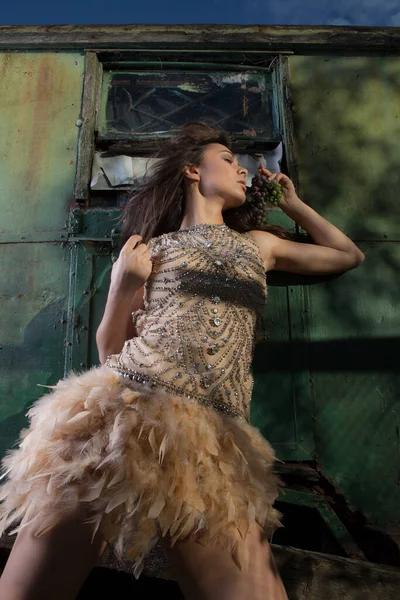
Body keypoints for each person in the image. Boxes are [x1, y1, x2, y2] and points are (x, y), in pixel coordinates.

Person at [0, 121, 364, 600]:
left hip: (213, 436)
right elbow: (111, 353)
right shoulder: (150, 251)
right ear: (193, 170)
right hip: (122, 420)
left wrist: (290, 204)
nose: (242, 170)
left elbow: (347, 255)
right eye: (229, 160)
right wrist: (123, 286)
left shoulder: (259, 245)